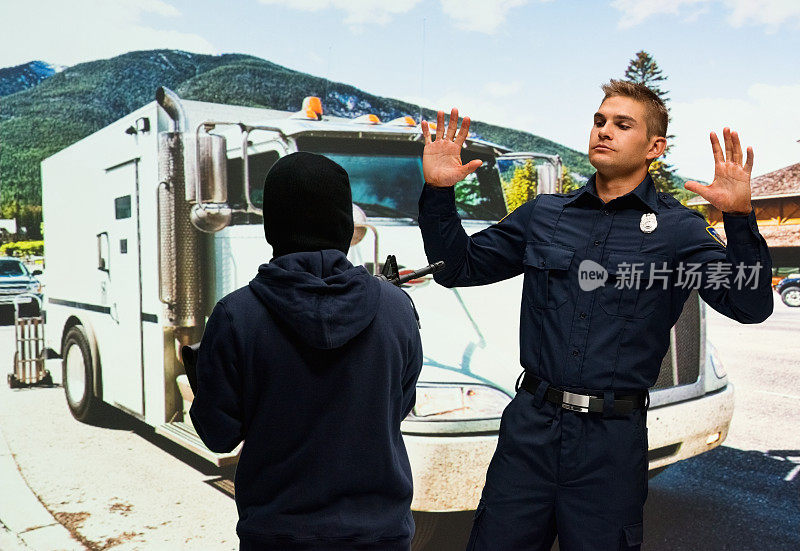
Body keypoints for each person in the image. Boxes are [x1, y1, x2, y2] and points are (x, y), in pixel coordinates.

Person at [416, 79, 773, 550]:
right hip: (530, 430)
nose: (603, 131)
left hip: (611, 443)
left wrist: (741, 220)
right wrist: (439, 193)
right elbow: (456, 268)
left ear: (654, 147)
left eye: (622, 125)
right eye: (599, 121)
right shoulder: (543, 214)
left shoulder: (678, 230)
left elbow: (750, 305)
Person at [189, 151, 423, 551]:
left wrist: (203, 374)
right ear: (346, 225)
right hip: (381, 535)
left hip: (278, 536)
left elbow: (218, 434)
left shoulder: (235, 315)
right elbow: (397, 406)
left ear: (272, 226)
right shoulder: (398, 307)